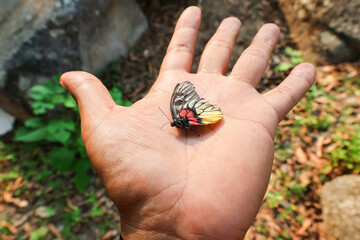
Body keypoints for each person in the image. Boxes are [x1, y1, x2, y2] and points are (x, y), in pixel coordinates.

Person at [60, 6, 315, 240]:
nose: (172, 124)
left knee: (191, 116)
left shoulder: (180, 115)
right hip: (198, 117)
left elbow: (184, 109)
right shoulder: (180, 121)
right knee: (192, 117)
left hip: (198, 116)